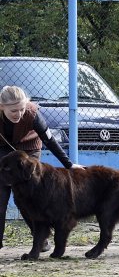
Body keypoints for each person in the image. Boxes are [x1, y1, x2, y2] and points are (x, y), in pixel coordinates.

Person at [0, 85, 85, 250]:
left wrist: (69, 164)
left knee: (27, 197)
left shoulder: (32, 114)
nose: (19, 114)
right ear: (2, 107)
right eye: (14, 111)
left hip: (29, 149)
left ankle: (41, 240)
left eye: (21, 109)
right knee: (1, 197)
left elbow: (49, 140)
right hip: (3, 150)